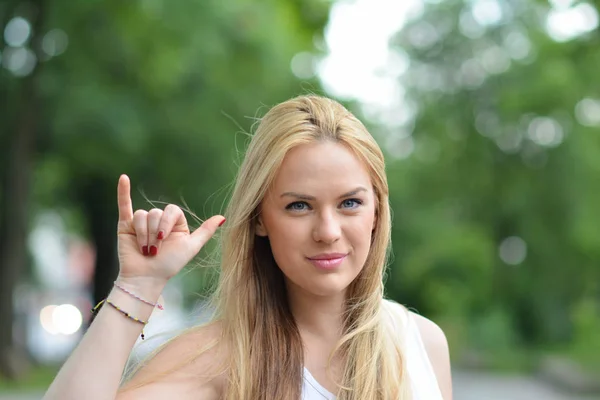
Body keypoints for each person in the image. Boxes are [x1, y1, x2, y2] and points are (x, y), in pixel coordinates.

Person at [43, 95, 452, 400]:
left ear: (377, 212)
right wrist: (139, 284)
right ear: (259, 219)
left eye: (350, 203)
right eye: (298, 206)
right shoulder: (223, 355)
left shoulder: (422, 344)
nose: (327, 231)